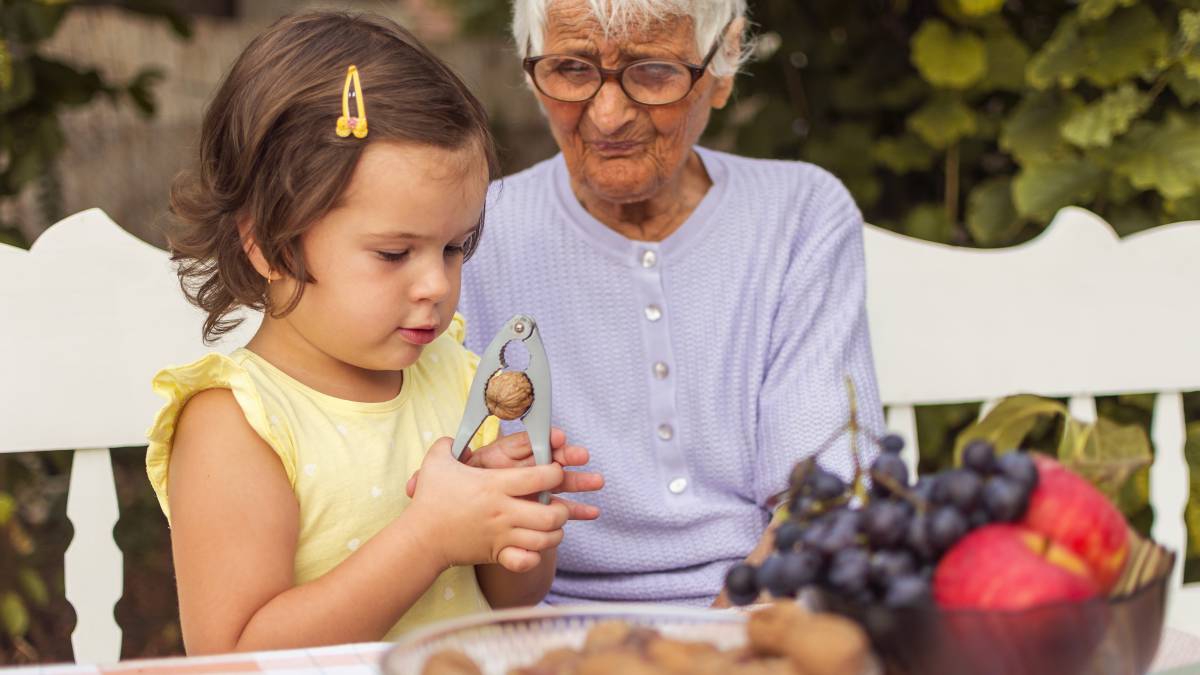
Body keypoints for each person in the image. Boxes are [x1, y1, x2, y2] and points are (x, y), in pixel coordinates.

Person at [144, 12, 602, 654]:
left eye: (452, 247)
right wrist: (428, 537)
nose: (436, 285)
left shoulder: (457, 377)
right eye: (393, 254)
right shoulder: (238, 424)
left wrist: (514, 521)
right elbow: (231, 657)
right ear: (270, 245)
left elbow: (510, 603)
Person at [459, 0, 885, 606]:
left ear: (723, 65)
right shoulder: (475, 232)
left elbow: (827, 490)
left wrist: (719, 644)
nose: (607, 115)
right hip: (535, 622)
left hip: (768, 608)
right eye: (572, 69)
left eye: (654, 72)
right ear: (532, 73)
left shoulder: (800, 215)